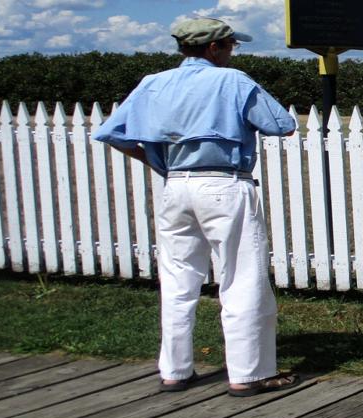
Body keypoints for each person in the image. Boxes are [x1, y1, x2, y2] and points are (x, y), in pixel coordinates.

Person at [93, 17, 298, 397]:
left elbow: (111, 133)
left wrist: (157, 162)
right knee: (242, 279)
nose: (232, 52)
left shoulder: (153, 84)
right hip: (224, 183)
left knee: (177, 281)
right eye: (230, 46)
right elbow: (281, 124)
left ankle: (174, 371)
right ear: (214, 47)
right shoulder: (232, 81)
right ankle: (249, 373)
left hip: (176, 187)